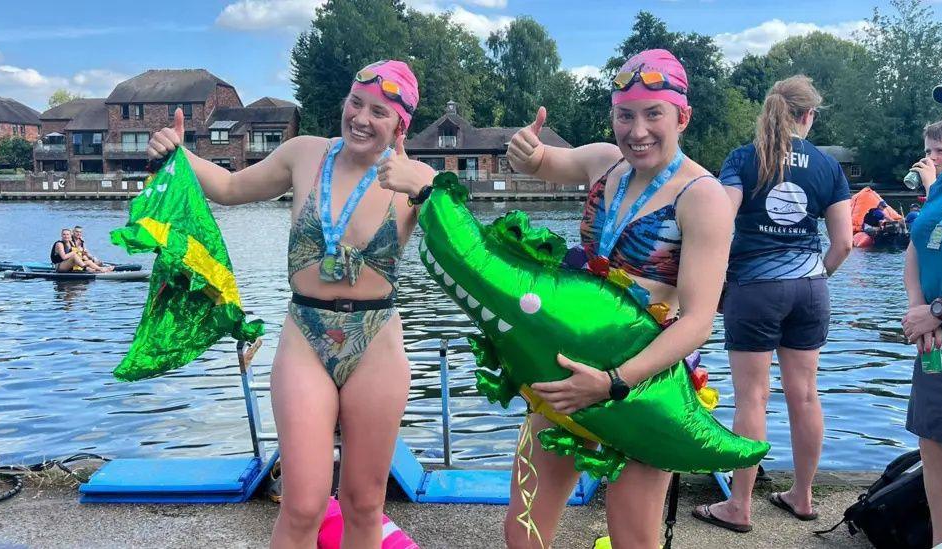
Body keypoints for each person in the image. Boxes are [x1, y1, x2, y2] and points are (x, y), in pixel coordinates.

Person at [148, 60, 436, 549]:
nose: (362, 118)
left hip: (377, 342)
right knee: (303, 504)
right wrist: (178, 153)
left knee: (365, 504)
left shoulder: (418, 179)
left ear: (401, 124)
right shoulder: (305, 155)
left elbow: (465, 252)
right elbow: (232, 188)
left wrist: (426, 191)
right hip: (305, 334)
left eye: (380, 111)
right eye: (356, 103)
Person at [503, 49, 732, 548]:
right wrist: (523, 149)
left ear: (682, 116)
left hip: (646, 385)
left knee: (633, 540)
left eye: (654, 114)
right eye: (625, 115)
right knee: (522, 533)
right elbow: (542, 162)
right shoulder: (604, 163)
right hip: (568, 370)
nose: (637, 130)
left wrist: (612, 383)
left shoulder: (702, 197)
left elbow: (696, 322)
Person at [695, 75, 852, 533]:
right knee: (805, 394)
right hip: (811, 288)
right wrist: (814, 274)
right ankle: (802, 497)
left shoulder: (744, 158)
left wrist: (712, 285)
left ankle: (738, 506)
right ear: (809, 116)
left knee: (753, 398)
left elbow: (718, 225)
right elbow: (842, 243)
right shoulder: (827, 166)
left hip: (754, 288)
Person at [900, 71, 942, 547]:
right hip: (940, 346)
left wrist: (939, 310)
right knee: (939, 461)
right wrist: (920, 309)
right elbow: (917, 245)